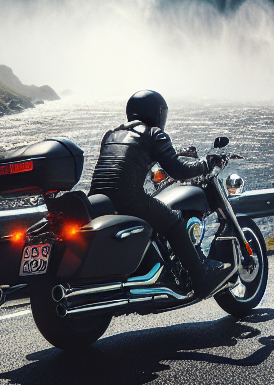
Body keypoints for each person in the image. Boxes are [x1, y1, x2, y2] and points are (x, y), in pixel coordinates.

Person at [90, 89, 230, 299]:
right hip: (129, 200)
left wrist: (177, 153)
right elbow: (179, 171)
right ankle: (200, 277)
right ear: (157, 112)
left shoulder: (111, 133)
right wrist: (205, 164)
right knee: (173, 222)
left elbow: (130, 160)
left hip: (98, 201)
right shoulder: (154, 134)